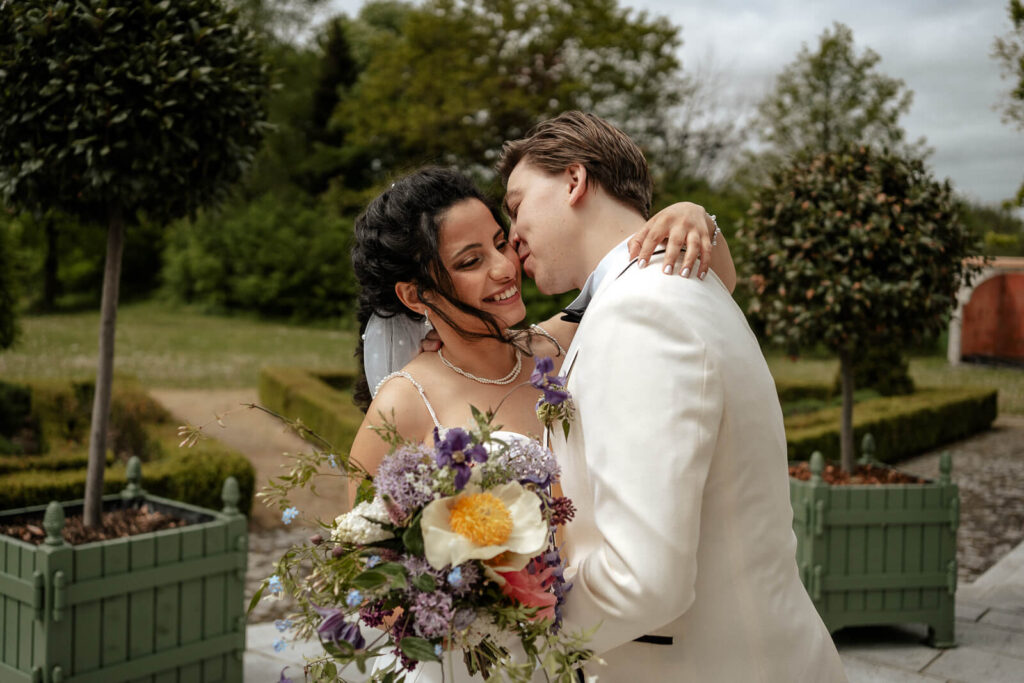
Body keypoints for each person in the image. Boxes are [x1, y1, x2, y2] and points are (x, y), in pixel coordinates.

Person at [497, 111, 848, 681]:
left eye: (516, 205)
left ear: (574, 180)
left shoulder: (642, 310)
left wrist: (508, 646)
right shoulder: (676, 287)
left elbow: (643, 579)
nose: (512, 236)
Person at [347, 165, 735, 680]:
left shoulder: (552, 349)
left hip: (581, 644)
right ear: (415, 297)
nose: (505, 267)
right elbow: (359, 563)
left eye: (500, 242)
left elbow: (716, 283)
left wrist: (693, 218)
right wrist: (467, 599)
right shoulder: (404, 402)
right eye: (471, 260)